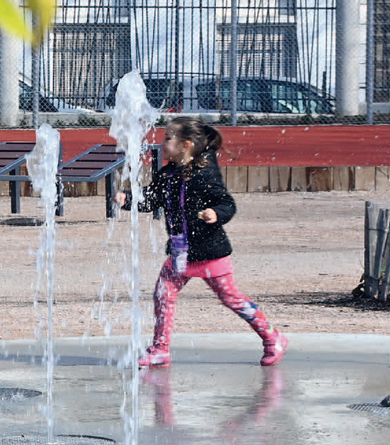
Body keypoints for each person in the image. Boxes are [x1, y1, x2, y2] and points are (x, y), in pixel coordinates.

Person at [113, 116, 288, 367]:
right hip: (180, 251)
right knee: (163, 294)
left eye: (168, 139)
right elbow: (151, 199)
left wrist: (216, 214)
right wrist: (128, 199)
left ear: (185, 146)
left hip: (210, 252)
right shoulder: (168, 174)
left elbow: (227, 203)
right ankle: (160, 349)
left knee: (232, 299)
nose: (163, 144)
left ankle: (273, 337)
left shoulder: (205, 173)